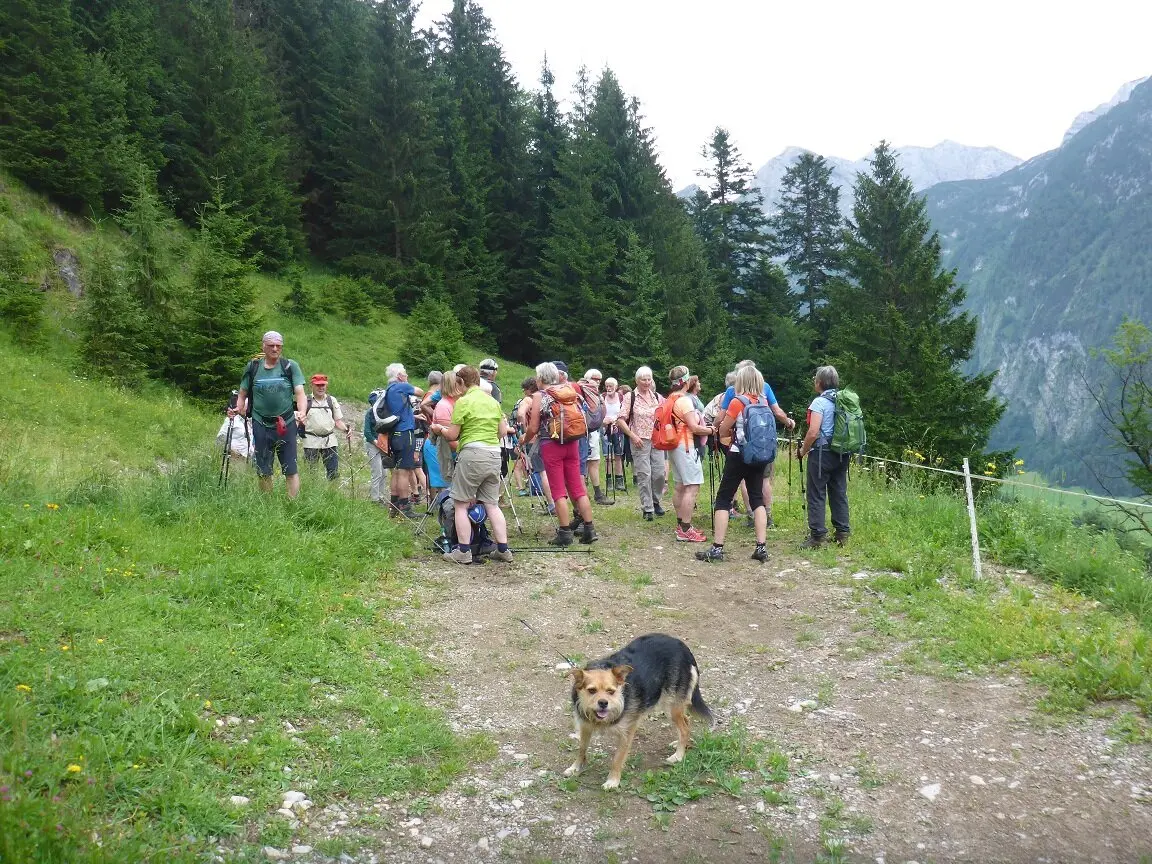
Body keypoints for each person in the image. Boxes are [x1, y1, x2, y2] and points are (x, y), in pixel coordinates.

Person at [430, 365, 513, 565]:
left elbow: (452, 435)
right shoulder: (492, 401)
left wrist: (438, 428)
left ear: (461, 382)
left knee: (460, 503)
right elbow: (502, 432)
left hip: (472, 455)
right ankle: (503, 549)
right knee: (492, 504)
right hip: (494, 454)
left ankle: (463, 552)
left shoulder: (464, 402)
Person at [696, 364, 774, 564]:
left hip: (739, 454)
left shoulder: (738, 402)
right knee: (757, 499)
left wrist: (724, 434)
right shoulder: (764, 402)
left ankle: (717, 548)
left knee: (723, 498)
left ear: (740, 381)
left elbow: (723, 429)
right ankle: (761, 547)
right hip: (759, 456)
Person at [526, 362, 597, 546]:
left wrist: (523, 440)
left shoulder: (539, 396)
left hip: (552, 444)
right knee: (577, 488)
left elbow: (533, 427)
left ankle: (564, 533)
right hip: (573, 442)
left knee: (558, 489)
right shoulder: (568, 392)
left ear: (540, 378)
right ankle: (589, 529)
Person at [718, 360, 796, 527]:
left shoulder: (732, 392)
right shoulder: (765, 389)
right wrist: (788, 422)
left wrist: (714, 429)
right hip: (764, 443)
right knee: (765, 480)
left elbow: (722, 417)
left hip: (742, 446)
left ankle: (751, 515)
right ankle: (767, 517)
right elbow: (777, 411)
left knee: (743, 482)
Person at [232, 331, 307, 498]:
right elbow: (242, 393)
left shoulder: (290, 366)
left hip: (286, 423)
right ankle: (268, 504)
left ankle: (292, 505)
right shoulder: (253, 367)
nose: (275, 348)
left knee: (291, 467)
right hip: (260, 423)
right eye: (271, 345)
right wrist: (238, 408)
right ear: (263, 346)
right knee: (263, 468)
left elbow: (300, 393)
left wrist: (302, 412)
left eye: (278, 346)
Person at [798, 365, 851, 548]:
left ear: (820, 382)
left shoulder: (819, 403)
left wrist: (803, 451)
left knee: (816, 493)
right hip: (842, 452)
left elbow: (813, 432)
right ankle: (842, 533)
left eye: (815, 379)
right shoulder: (844, 400)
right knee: (839, 492)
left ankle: (817, 537)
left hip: (822, 454)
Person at [665, 366, 712, 543]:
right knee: (692, 486)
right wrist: (711, 430)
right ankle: (685, 529)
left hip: (674, 445)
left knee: (679, 485)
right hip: (686, 446)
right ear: (685, 381)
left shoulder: (671, 398)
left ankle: (681, 524)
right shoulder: (684, 401)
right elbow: (694, 427)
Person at [617, 366, 665, 521]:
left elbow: (665, 415)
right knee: (644, 474)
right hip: (639, 441)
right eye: (643, 379)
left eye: (649, 379)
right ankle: (648, 508)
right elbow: (620, 420)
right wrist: (632, 435)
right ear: (637, 380)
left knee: (659, 473)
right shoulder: (630, 397)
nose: (646, 382)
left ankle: (656, 501)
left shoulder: (657, 396)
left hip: (657, 440)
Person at [381, 363, 424, 517]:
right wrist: (408, 385)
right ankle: (405, 507)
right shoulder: (401, 387)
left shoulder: (389, 390)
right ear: (399, 376)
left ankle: (393, 506)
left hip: (394, 434)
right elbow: (420, 392)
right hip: (405, 433)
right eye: (405, 373)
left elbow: (397, 412)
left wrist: (413, 416)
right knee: (404, 472)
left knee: (397, 472)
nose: (407, 375)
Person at [301, 374, 353, 481]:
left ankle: (332, 494)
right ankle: (311, 494)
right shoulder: (305, 401)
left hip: (329, 441)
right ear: (312, 386)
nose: (321, 388)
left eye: (323, 385)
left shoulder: (331, 400)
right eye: (318, 385)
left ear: (326, 386)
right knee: (311, 474)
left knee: (333, 473)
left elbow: (337, 421)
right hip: (311, 441)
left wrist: (346, 429)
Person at [582, 368, 612, 505]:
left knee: (594, 460)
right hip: (583, 432)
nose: (598, 382)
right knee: (583, 462)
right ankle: (586, 494)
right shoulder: (582, 392)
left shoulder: (595, 394)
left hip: (593, 431)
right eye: (595, 379)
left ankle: (596, 493)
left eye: (599, 379)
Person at [364, 391, 388, 505]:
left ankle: (381, 496)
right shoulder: (369, 413)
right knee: (377, 472)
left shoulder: (385, 413)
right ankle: (374, 499)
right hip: (372, 445)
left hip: (383, 445)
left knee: (384, 473)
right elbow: (367, 433)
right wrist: (377, 443)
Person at [601, 377, 625, 491]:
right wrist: (605, 422)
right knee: (608, 457)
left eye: (611, 386)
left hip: (618, 429)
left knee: (618, 455)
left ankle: (619, 480)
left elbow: (624, 413)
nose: (609, 388)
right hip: (606, 429)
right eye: (607, 386)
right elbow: (599, 414)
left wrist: (616, 422)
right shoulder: (602, 398)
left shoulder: (621, 398)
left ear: (616, 386)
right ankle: (609, 481)